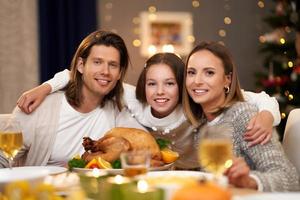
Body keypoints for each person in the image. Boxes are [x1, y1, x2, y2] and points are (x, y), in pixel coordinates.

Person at [16, 53, 281, 169]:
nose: (160, 92)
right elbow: (76, 73)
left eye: (170, 84)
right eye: (152, 83)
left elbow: (263, 98)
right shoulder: (135, 100)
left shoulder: (198, 102)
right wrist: (46, 87)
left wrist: (267, 115)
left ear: (183, 85)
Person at [0, 30, 145, 168]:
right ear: (81, 65)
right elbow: (3, 159)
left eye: (112, 65)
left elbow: (145, 146)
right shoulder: (39, 108)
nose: (105, 71)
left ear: (119, 73)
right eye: (97, 62)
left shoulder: (119, 111)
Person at [182, 41, 299, 191]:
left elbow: (288, 178)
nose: (197, 81)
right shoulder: (199, 121)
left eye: (209, 72)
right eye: (191, 72)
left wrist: (249, 181)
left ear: (227, 79)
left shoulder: (242, 115)